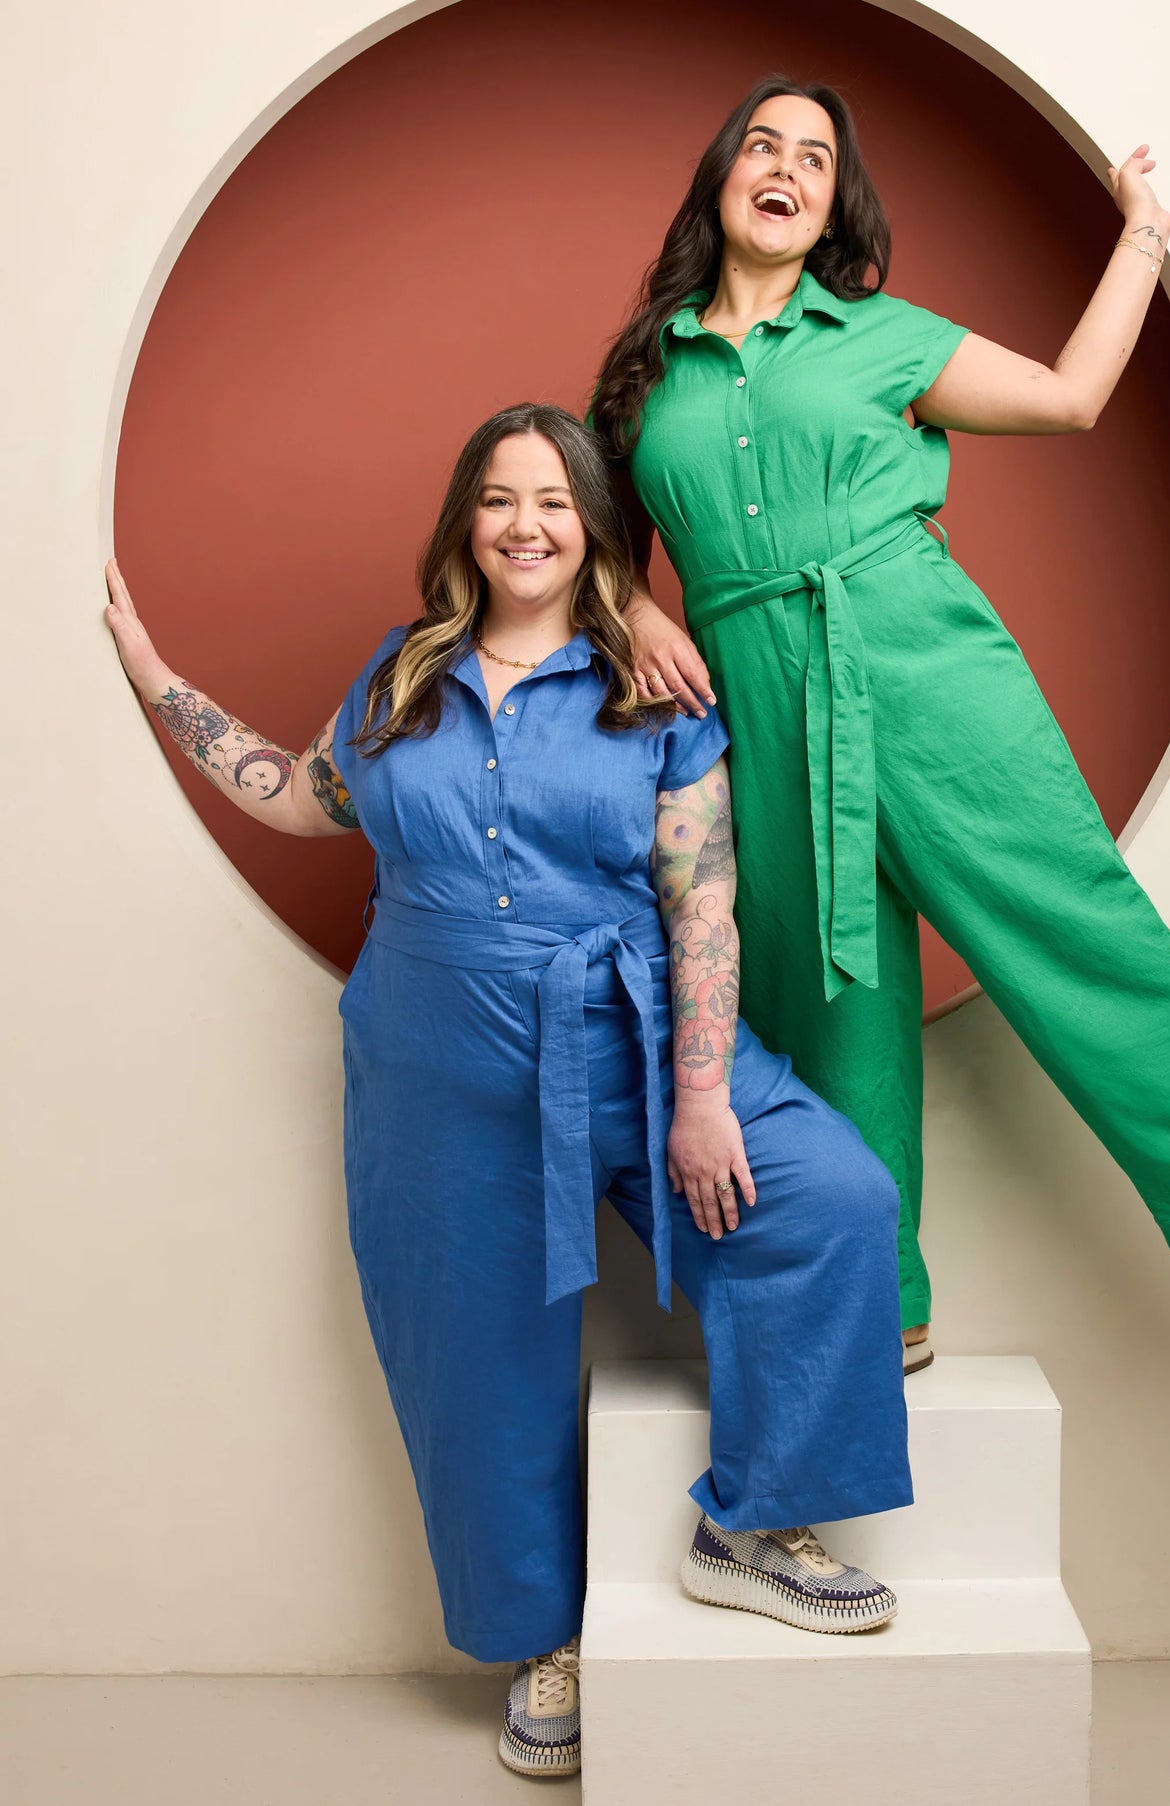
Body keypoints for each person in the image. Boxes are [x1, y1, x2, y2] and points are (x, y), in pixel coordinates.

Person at [104, 403, 910, 1782]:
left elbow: (700, 897)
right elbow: (297, 794)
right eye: (497, 498)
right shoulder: (399, 676)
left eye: (552, 500)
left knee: (833, 1199)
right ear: (463, 522)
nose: (524, 525)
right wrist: (154, 676)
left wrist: (702, 1095)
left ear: (590, 527)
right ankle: (544, 1642)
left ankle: (751, 1524)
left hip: (630, 1040)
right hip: (437, 1070)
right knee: (474, 1356)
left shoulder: (650, 685)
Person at [591, 78, 1170, 1362]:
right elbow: (588, 542)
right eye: (762, 146)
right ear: (721, 177)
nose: (785, 168)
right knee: (823, 1002)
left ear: (831, 209)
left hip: (919, 663)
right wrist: (638, 609)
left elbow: (1073, 396)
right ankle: (882, 1297)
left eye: (814, 158)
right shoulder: (646, 372)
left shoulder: (883, 337)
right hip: (755, 699)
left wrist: (1142, 231)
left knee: (1065, 917)